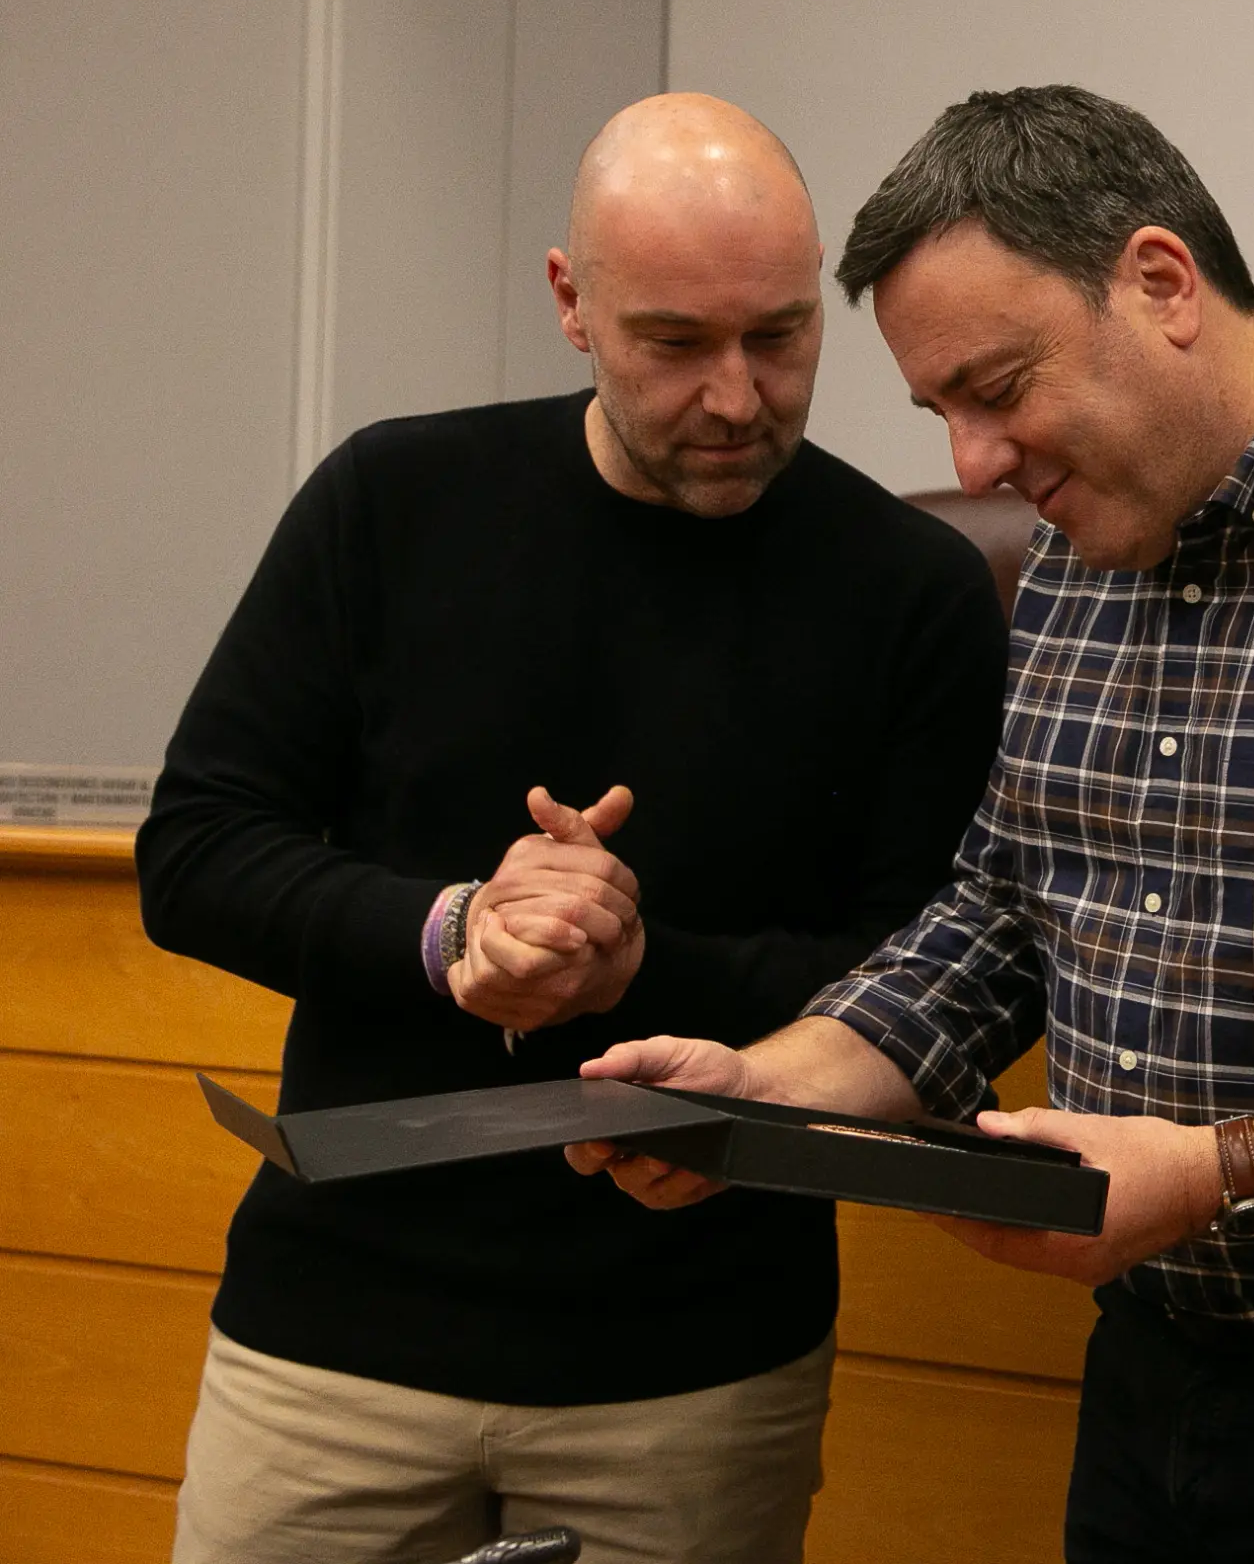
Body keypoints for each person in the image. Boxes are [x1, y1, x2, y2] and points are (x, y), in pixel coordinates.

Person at [573, 84, 1254, 1564]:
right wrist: (765, 1084)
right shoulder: (1078, 549)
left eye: (997, 388)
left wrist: (1215, 1170)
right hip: (1153, 1364)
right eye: (941, 414)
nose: (974, 464)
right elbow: (998, 918)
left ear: (1162, 283)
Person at [138, 93, 1008, 1564]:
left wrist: (636, 964)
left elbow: (936, 973)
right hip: (336, 1334)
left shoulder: (912, 591)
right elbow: (198, 851)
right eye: (674, 342)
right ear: (571, 303)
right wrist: (455, 929)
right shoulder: (392, 501)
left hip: (695, 1364)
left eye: (781, 335)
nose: (736, 397)